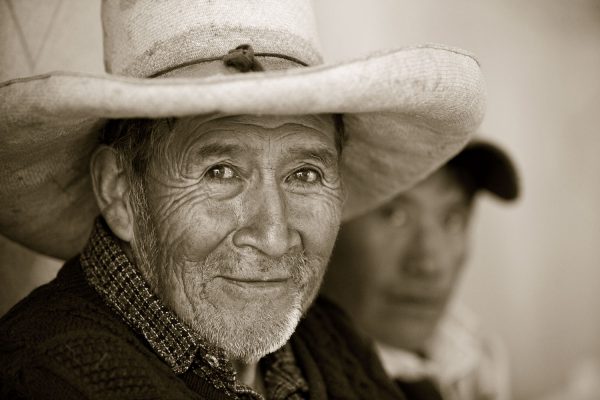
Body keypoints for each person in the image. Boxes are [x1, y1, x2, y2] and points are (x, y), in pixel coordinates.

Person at [0, 0, 485, 398]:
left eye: (305, 173)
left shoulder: (328, 342)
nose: (273, 237)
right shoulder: (45, 379)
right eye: (221, 172)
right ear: (120, 192)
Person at [321, 140, 519, 400]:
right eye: (395, 215)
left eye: (452, 218)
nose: (429, 264)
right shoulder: (282, 380)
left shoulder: (474, 353)